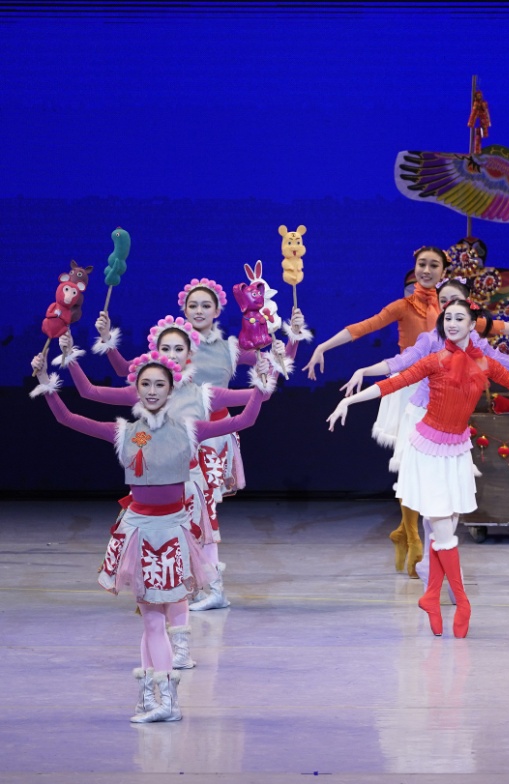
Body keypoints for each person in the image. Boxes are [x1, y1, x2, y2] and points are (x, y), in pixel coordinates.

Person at [30, 349, 273, 722]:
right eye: (146, 384)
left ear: (172, 390)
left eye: (160, 384)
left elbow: (247, 419)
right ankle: (154, 697)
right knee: (150, 622)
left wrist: (260, 382)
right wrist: (45, 381)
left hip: (172, 534)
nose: (153, 390)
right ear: (137, 389)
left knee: (159, 619)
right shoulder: (125, 433)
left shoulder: (190, 430)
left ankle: (166, 701)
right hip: (138, 533)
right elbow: (68, 418)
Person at [327, 299, 509, 638]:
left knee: (447, 529)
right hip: (427, 451)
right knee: (444, 533)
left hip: (457, 451)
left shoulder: (484, 362)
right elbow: (393, 383)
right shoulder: (434, 360)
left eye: (460, 318)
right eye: (448, 318)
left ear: (473, 324)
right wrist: (348, 400)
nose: (452, 323)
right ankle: (462, 602)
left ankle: (431, 596)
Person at [304, 247, 509, 562]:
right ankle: (414, 539)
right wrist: (325, 348)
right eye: (421, 264)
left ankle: (421, 540)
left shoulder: (451, 308)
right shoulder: (406, 307)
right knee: (412, 469)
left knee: (436, 477)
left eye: (433, 265)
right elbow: (367, 328)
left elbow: (490, 330)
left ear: (443, 271)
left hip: (444, 393)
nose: (426, 270)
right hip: (410, 387)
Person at [57, 317, 272, 666]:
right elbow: (88, 396)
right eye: (165, 348)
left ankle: (189, 632)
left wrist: (267, 375)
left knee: (187, 566)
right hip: (148, 499)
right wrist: (69, 358)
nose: (171, 354)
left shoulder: (202, 395)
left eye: (178, 348)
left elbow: (248, 410)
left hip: (188, 487)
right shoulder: (147, 391)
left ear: (190, 354)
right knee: (155, 579)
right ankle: (163, 646)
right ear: (155, 352)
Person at [93, 278, 308, 611]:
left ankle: (213, 587)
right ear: (183, 309)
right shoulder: (171, 346)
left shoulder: (229, 348)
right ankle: (189, 583)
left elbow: (270, 371)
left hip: (214, 436)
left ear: (218, 310)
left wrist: (292, 337)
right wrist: (108, 339)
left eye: (206, 305)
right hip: (177, 437)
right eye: (192, 305)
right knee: (185, 512)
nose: (198, 310)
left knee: (203, 511)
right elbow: (126, 371)